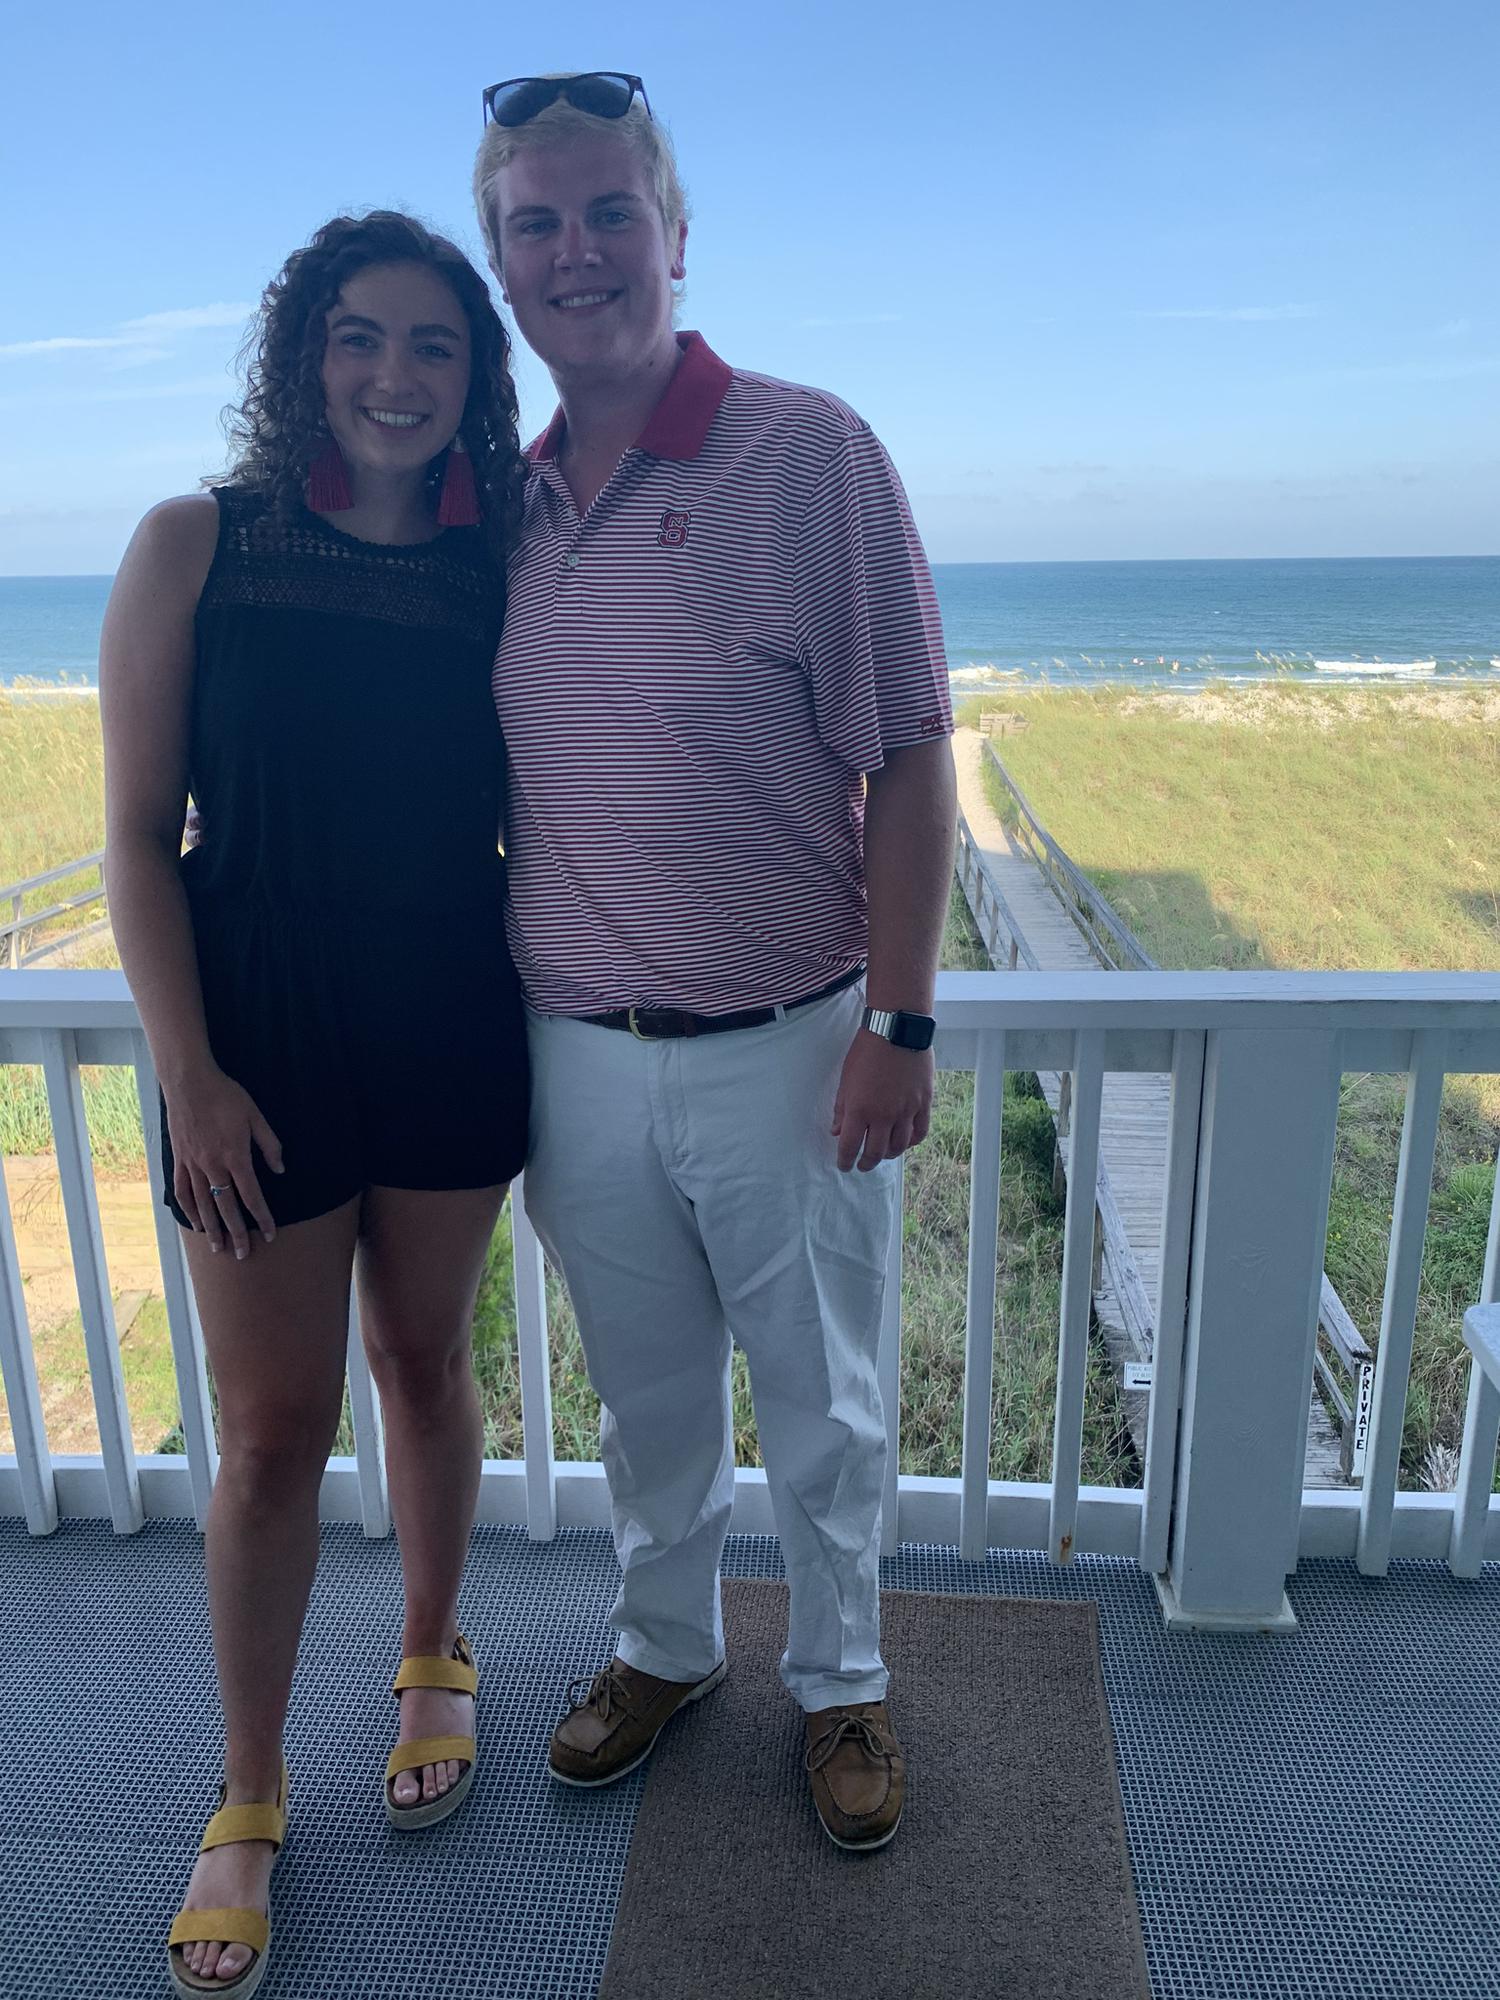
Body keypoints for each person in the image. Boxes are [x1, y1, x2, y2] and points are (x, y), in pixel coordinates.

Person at [472, 74, 957, 1852]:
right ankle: (665, 1648)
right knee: (649, 1397)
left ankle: (843, 1684)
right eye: (537, 223)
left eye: (611, 212)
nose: (578, 251)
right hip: (575, 1054)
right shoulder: (499, 505)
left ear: (676, 236)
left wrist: (900, 1019)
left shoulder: (810, 453)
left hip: (789, 1042)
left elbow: (911, 753)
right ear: (502, 262)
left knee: (824, 1405)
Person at [100, 211, 530, 1996]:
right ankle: (252, 1790)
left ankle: (433, 1653)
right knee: (272, 1432)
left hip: (450, 1012)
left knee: (424, 1361)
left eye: (434, 343)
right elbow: (139, 840)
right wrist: (189, 1074)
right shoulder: (195, 544)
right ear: (304, 357)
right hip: (255, 1043)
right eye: (359, 336)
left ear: (474, 375)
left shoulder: (497, 560)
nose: (394, 375)